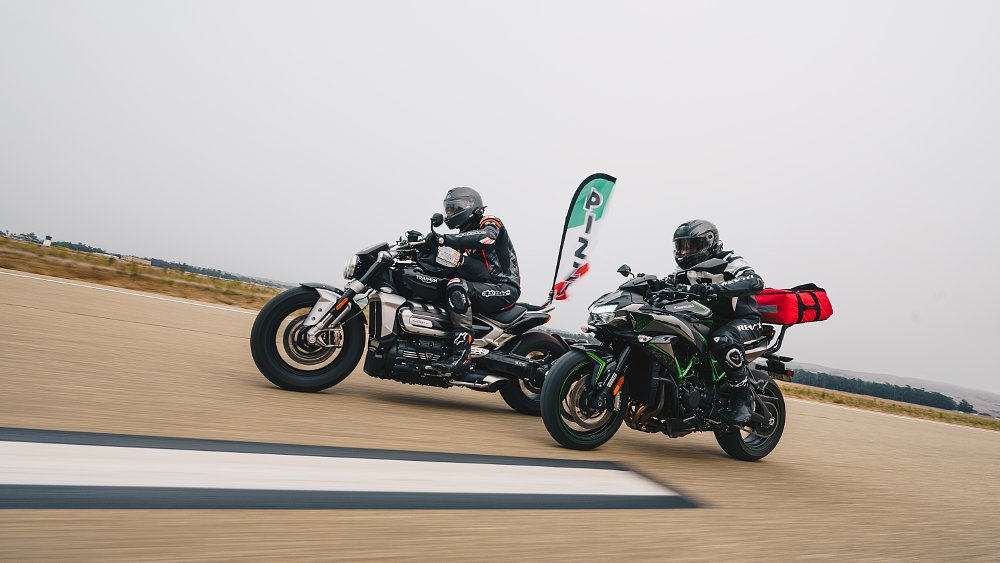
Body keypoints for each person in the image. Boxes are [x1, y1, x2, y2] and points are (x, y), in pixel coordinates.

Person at [663, 219, 765, 424]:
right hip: (706, 319)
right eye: (680, 246)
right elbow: (669, 285)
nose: (684, 252)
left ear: (708, 241)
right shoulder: (683, 269)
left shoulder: (729, 260)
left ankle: (743, 397)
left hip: (742, 319)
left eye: (690, 246)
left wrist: (716, 289)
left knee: (721, 340)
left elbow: (755, 280)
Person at [428, 187, 521, 375]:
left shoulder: (490, 222)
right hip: (483, 283)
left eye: (455, 209)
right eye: (449, 209)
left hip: (504, 287)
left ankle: (462, 354)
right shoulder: (464, 235)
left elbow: (486, 237)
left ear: (471, 206)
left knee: (456, 285)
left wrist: (444, 239)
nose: (450, 213)